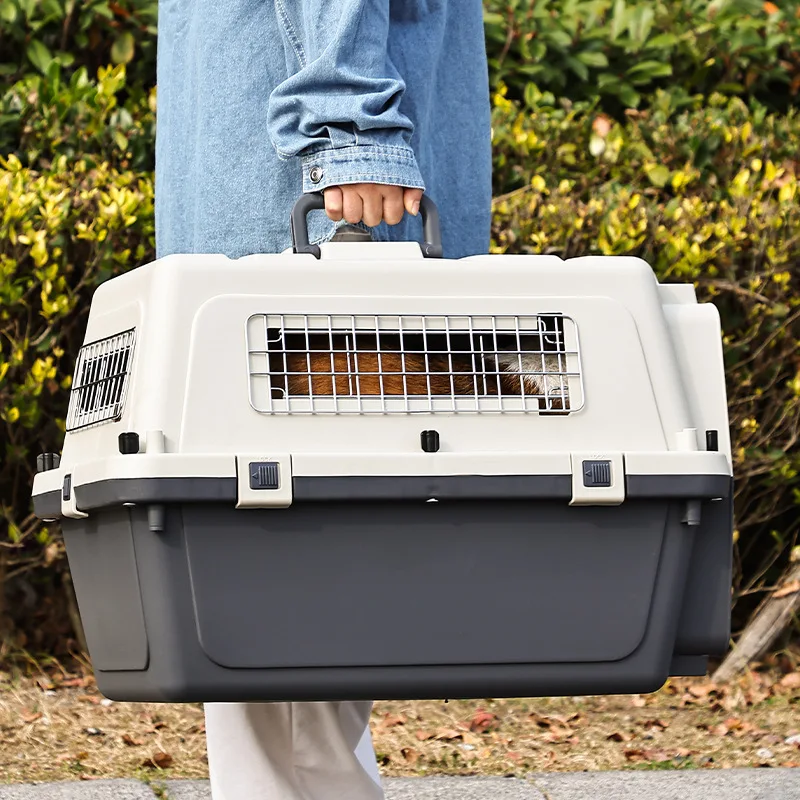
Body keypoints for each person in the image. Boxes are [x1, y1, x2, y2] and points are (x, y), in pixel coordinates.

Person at [154, 1, 492, 797]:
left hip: (270, 168)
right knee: (303, 557)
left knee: (278, 554)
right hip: (321, 191)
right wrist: (354, 129)